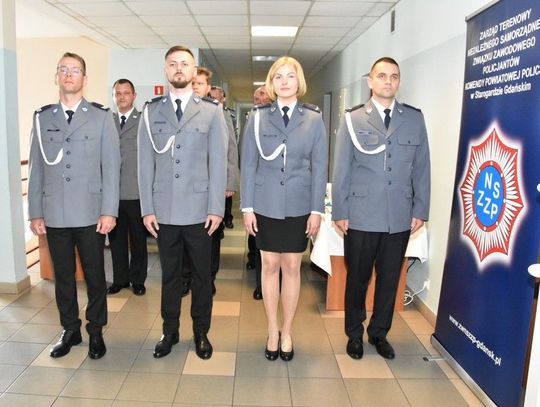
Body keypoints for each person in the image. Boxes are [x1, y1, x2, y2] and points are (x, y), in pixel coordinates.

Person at [332, 57, 431, 360]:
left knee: (389, 280)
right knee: (358, 279)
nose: (388, 81)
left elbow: (422, 168)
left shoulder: (413, 119)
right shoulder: (354, 119)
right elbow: (342, 169)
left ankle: (379, 333)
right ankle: (354, 334)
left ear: (399, 81)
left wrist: (421, 208)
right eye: (382, 76)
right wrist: (340, 211)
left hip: (398, 216)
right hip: (361, 215)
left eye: (394, 76)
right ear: (370, 81)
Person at [28, 52, 120, 359]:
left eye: (75, 70)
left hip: (91, 213)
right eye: (63, 70)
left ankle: (96, 330)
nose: (69, 75)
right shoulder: (42, 118)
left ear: (85, 78)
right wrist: (35, 211)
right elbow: (37, 168)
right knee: (63, 277)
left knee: (95, 276)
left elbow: (111, 167)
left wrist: (109, 210)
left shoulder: (101, 116)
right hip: (55, 213)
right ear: (56, 77)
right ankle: (70, 329)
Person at [138, 45, 228, 360]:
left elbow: (218, 162)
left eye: (185, 64)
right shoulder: (151, 111)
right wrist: (147, 208)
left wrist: (216, 207)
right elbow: (144, 164)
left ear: (193, 70)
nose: (179, 68)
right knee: (170, 276)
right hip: (164, 211)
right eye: (173, 64)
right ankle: (170, 330)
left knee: (202, 276)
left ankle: (201, 332)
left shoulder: (211, 111)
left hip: (200, 211)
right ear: (166, 70)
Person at [241, 56, 328, 362]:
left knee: (292, 266)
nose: (285, 81)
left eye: (290, 76)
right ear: (271, 83)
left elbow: (319, 167)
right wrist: (247, 207)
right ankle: (272, 330)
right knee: (268, 265)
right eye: (278, 76)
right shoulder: (258, 118)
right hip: (265, 204)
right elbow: (248, 164)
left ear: (298, 81)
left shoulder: (313, 119)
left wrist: (316, 210)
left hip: (299, 204)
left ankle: (287, 331)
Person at [107, 78, 148, 296]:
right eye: (118, 93)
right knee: (116, 240)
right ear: (114, 97)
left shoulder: (143, 121)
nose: (121, 97)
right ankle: (120, 279)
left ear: (134, 96)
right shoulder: (107, 121)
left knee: (139, 239)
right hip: (113, 194)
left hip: (136, 192)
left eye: (126, 93)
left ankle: (138, 280)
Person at [245, 85, 272, 300]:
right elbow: (247, 158)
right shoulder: (252, 119)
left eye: (263, 94)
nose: (260, 99)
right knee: (260, 242)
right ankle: (261, 285)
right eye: (257, 97)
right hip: (259, 190)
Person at [209, 85, 238, 230]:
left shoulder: (225, 115)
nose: (212, 100)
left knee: (215, 224)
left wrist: (231, 183)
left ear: (223, 99)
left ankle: (225, 222)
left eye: (215, 98)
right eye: (209, 97)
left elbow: (231, 149)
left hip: (219, 176)